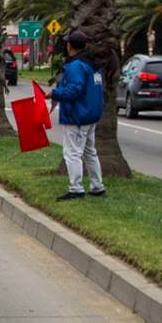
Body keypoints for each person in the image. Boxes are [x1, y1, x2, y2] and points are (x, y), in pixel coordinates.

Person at [44, 31, 106, 200]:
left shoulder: (76, 66)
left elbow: (74, 90)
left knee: (72, 152)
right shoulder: (93, 64)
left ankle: (76, 188)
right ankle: (97, 186)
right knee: (89, 152)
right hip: (91, 114)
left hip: (78, 115)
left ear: (70, 45)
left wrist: (55, 93)